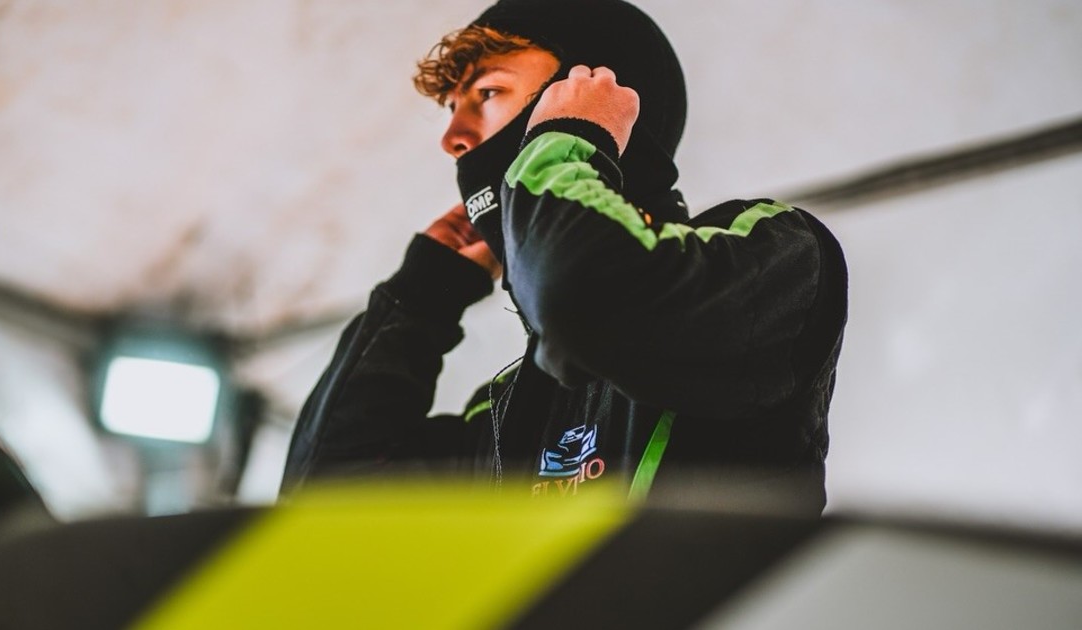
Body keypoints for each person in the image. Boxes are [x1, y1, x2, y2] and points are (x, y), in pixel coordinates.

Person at [281, 0, 848, 512]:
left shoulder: (768, 250)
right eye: (453, 108)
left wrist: (571, 137)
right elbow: (326, 504)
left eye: (488, 93)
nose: (453, 137)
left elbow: (581, 299)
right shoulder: (508, 415)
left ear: (601, 98)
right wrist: (424, 294)